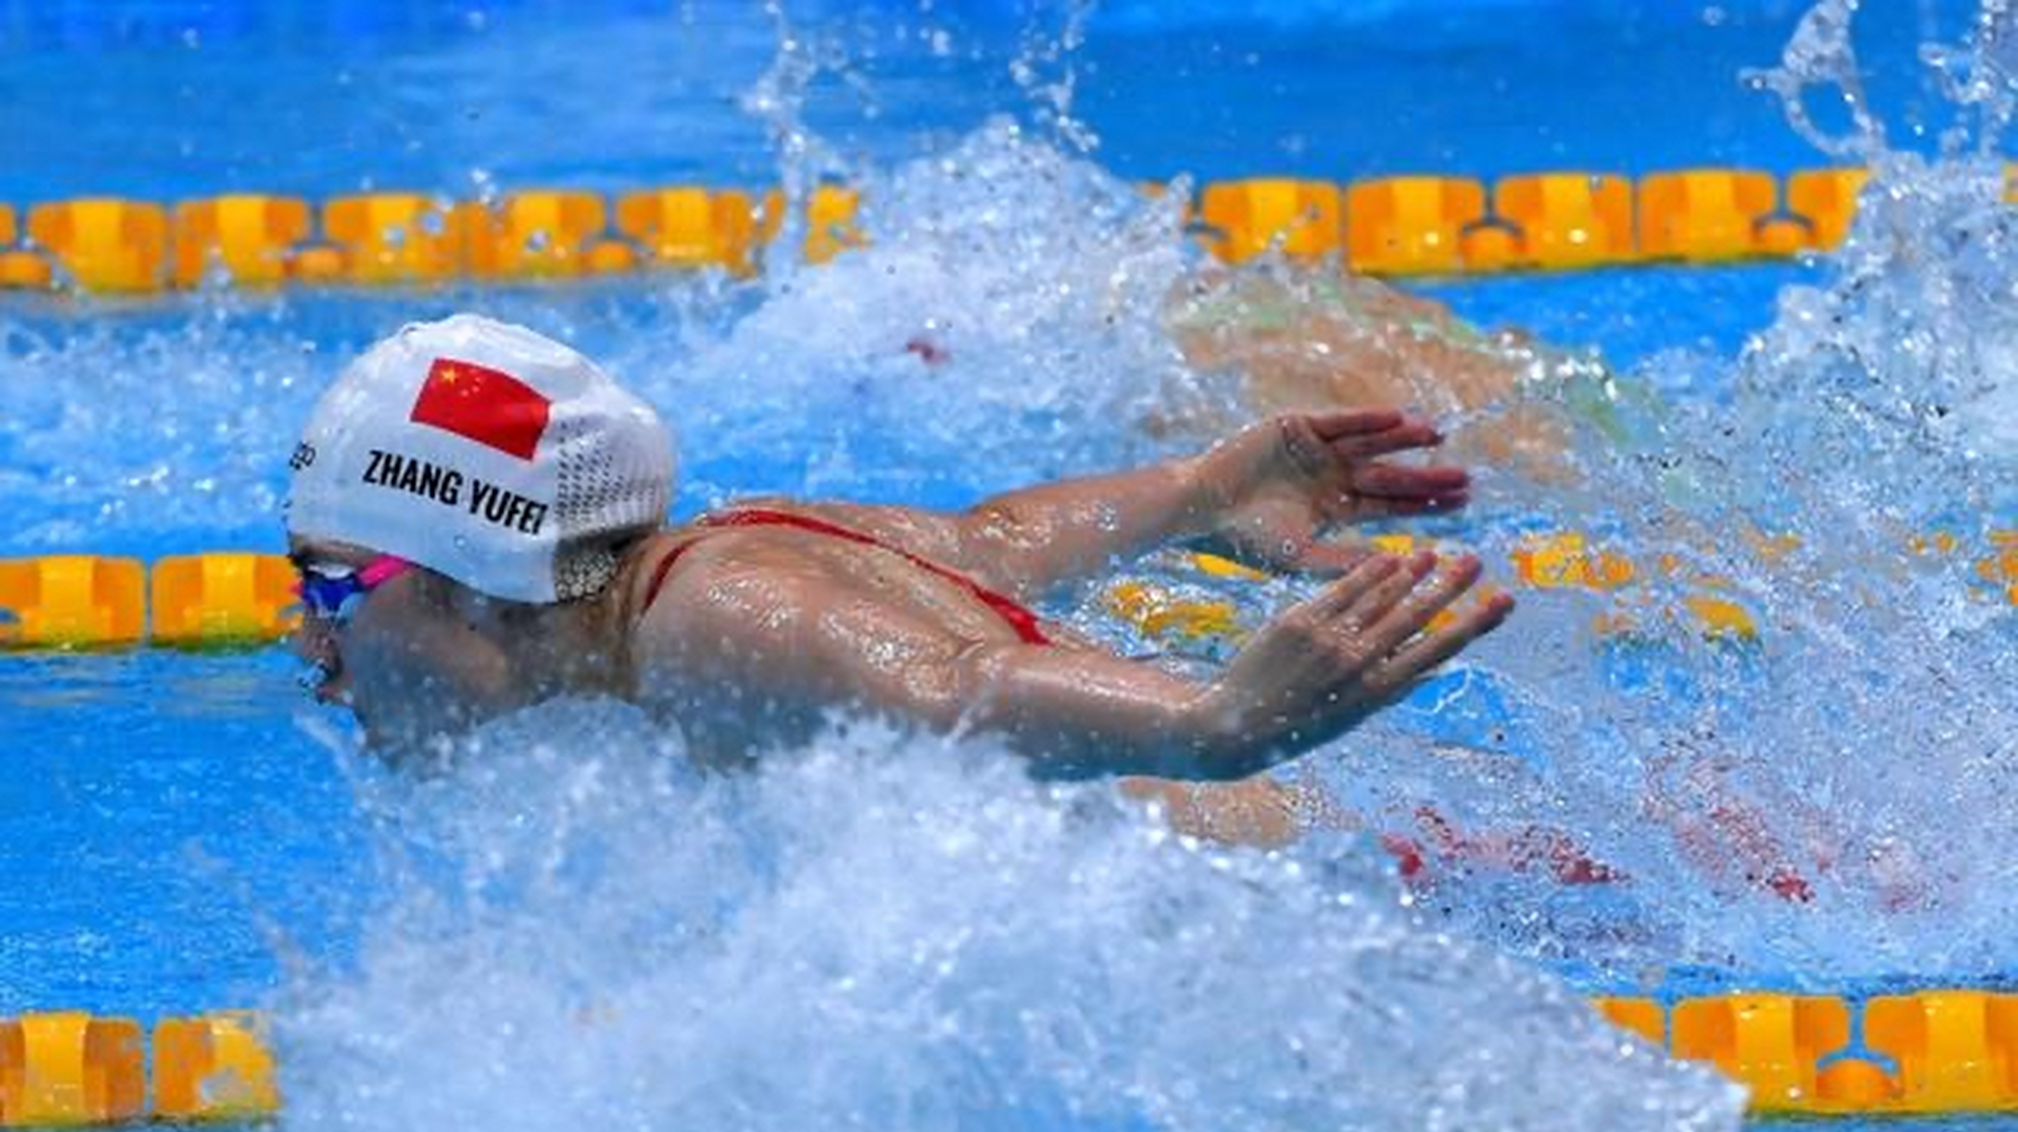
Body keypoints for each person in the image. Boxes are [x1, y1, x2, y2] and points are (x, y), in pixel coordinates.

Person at [286, 314, 1513, 794]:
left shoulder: (714, 626)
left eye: (331, 586)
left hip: (1310, 887)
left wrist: (1209, 720)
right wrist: (1195, 491)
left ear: (466, 577)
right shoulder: (734, 546)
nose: (312, 641)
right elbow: (998, 539)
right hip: (1366, 839)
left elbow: (962, 691)